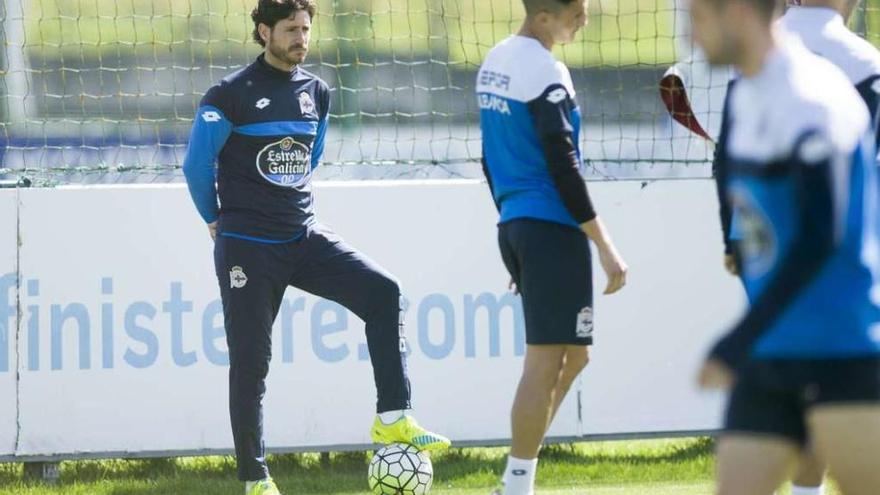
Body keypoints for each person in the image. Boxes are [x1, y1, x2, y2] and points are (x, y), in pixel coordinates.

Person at [182, 1, 449, 494]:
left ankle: (393, 417)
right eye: (290, 30)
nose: (301, 38)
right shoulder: (229, 95)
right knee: (251, 361)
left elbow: (312, 155)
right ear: (264, 32)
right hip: (247, 247)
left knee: (384, 292)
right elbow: (197, 166)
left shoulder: (318, 92)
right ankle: (255, 479)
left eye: (306, 29)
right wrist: (215, 220)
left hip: (303, 237)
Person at [691, 0, 880, 491]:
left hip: (840, 349)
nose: (691, 37)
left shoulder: (812, 97)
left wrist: (738, 339)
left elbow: (823, 236)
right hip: (771, 352)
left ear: (735, 13)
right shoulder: (747, 95)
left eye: (696, 19)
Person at [477, 1, 628, 493]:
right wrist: (604, 245)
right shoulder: (545, 70)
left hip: (520, 223)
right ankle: (518, 482)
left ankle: (516, 473)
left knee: (574, 356)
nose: (584, 20)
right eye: (577, 12)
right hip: (550, 228)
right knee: (545, 362)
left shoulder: (496, 60)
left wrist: (512, 225)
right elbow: (564, 164)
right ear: (544, 15)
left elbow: (488, 156)